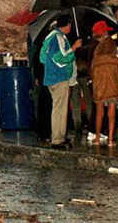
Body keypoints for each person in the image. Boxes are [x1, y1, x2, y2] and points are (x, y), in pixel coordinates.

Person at [41, 14, 81, 149]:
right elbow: (59, 58)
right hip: (59, 77)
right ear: (67, 25)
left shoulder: (50, 36)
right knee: (60, 110)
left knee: (58, 108)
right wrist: (74, 48)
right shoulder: (58, 37)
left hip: (51, 77)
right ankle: (57, 140)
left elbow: (43, 57)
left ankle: (59, 136)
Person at [89, 25, 118, 146]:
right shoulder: (115, 60)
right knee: (111, 114)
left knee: (99, 113)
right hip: (113, 87)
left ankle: (98, 138)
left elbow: (92, 74)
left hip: (99, 88)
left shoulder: (96, 60)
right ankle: (110, 140)